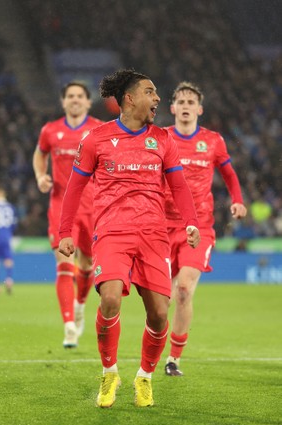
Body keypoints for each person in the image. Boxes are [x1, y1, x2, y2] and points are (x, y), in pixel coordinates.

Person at [58, 69, 201, 408]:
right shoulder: (97, 139)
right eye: (150, 92)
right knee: (109, 299)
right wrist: (65, 232)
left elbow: (178, 186)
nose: (156, 99)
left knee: (159, 314)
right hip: (111, 231)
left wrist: (190, 222)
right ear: (129, 98)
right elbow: (75, 187)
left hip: (154, 234)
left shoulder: (162, 139)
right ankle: (109, 373)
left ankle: (144, 377)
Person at [163, 82, 247, 377]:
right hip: (161, 227)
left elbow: (228, 173)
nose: (185, 105)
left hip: (198, 228)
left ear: (199, 109)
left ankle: (173, 359)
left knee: (184, 290)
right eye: (180, 101)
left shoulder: (212, 141)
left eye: (191, 102)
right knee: (161, 299)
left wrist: (237, 200)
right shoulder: (161, 139)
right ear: (172, 108)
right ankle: (152, 350)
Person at [33, 82, 102, 348]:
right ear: (63, 102)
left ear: (87, 102)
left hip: (92, 207)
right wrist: (41, 176)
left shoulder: (99, 130)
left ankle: (81, 304)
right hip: (60, 207)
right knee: (64, 264)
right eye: (70, 96)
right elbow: (39, 155)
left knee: (86, 266)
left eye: (79, 96)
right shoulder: (51, 131)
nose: (74, 100)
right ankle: (69, 326)